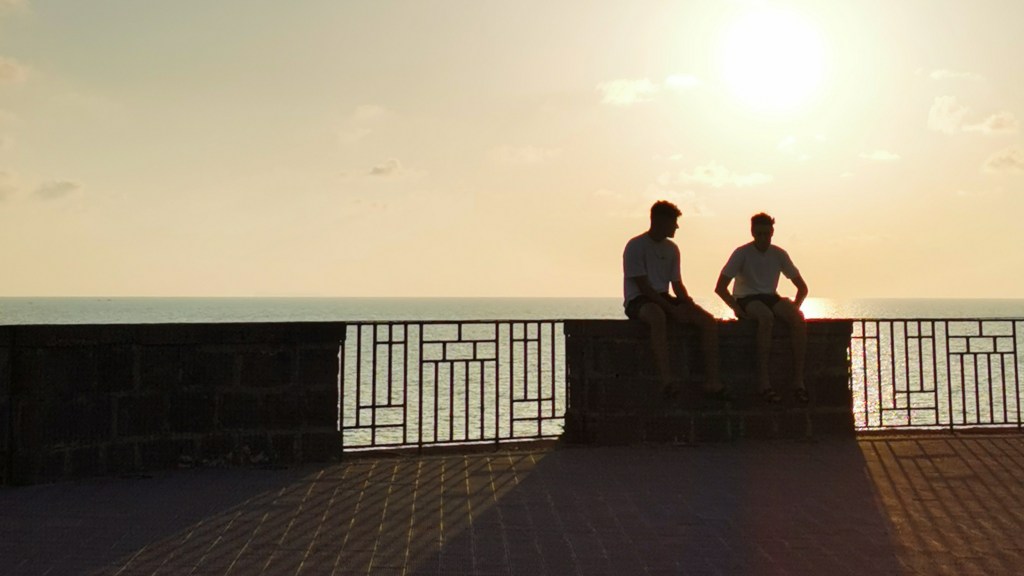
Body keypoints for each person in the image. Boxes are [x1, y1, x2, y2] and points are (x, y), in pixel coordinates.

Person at [623, 200, 729, 402]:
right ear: (660, 221)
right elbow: (644, 287)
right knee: (656, 316)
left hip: (663, 297)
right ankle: (666, 380)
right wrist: (672, 310)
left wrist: (690, 305)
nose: (677, 227)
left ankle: (712, 381)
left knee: (707, 321)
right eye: (673, 222)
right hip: (638, 300)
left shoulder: (672, 249)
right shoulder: (635, 246)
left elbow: (677, 284)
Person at [714, 212, 809, 403]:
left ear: (772, 232)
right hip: (746, 297)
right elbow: (720, 287)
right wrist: (736, 309)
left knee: (798, 320)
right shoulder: (742, 253)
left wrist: (794, 308)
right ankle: (764, 382)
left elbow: (802, 287)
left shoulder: (779, 254)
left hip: (770, 297)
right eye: (759, 234)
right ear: (752, 233)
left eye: (767, 234)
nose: (764, 238)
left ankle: (798, 381)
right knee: (766, 318)